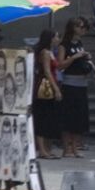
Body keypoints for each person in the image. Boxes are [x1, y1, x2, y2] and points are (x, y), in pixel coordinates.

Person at [55, 17, 94, 158]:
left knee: (79, 118)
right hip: (70, 84)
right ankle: (67, 148)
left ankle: (75, 146)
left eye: (84, 27)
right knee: (68, 118)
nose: (83, 30)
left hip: (81, 83)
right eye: (80, 27)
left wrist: (85, 57)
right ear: (73, 28)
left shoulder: (79, 43)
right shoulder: (63, 45)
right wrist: (73, 57)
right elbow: (60, 65)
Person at [32, 28, 63, 159]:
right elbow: (47, 71)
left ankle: (46, 148)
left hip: (52, 83)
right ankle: (42, 149)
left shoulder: (51, 52)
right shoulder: (45, 53)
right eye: (56, 37)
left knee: (49, 118)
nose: (57, 39)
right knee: (42, 118)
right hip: (45, 86)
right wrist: (55, 88)